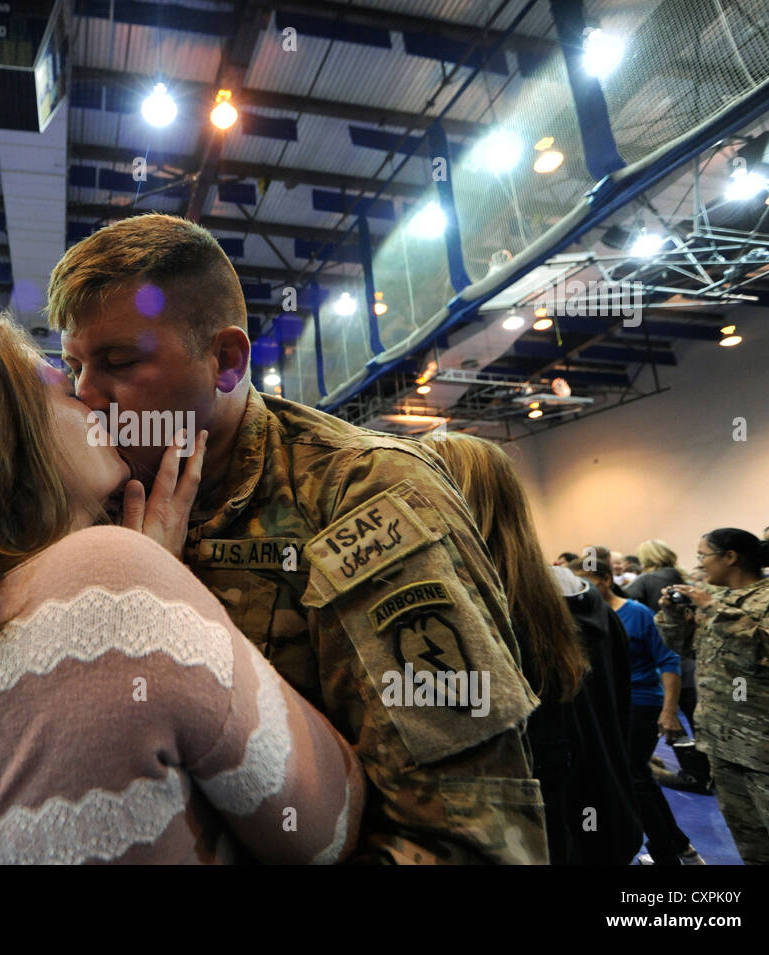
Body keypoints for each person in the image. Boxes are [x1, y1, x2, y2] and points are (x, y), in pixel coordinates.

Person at [49, 213, 546, 864]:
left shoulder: (362, 494)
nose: (86, 395)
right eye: (74, 366)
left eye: (118, 362)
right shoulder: (98, 498)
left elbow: (469, 838)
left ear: (226, 360)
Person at [0, 319, 365, 865]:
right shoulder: (109, 574)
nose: (95, 399)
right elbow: (326, 828)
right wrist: (153, 587)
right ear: (5, 441)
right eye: (68, 388)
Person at [423, 432, 640, 864]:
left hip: (522, 837)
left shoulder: (461, 612)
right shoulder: (586, 601)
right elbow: (616, 718)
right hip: (597, 822)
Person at [656, 529, 769, 864]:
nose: (699, 563)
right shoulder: (716, 597)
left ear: (730, 557)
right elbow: (687, 648)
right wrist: (673, 616)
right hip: (723, 742)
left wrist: (713, 609)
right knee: (751, 840)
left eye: (703, 555)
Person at [572, 558, 703, 865]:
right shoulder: (582, 615)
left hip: (642, 704)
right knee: (634, 777)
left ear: (605, 580)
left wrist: (669, 711)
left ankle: (670, 851)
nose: (580, 587)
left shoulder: (637, 613)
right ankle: (677, 846)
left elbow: (668, 661)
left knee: (634, 777)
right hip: (610, 707)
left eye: (585, 579)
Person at [626, 541, 709, 794]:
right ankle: (703, 771)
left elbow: (618, 601)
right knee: (692, 721)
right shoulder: (681, 578)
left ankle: (694, 774)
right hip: (689, 659)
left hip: (666, 658)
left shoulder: (644, 581)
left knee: (673, 722)